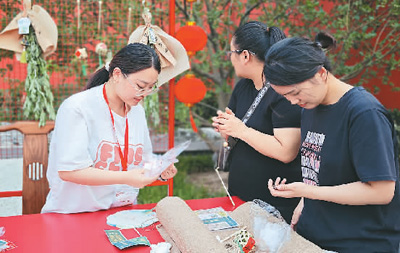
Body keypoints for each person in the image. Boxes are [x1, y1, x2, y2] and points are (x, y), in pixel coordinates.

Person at [265, 32, 400, 252]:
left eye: (295, 92)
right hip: (316, 237)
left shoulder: (364, 113)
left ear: (321, 74)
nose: (292, 101)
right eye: (285, 96)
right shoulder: (310, 106)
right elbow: (320, 171)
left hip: (358, 242)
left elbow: (381, 191)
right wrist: (304, 201)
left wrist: (308, 192)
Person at [42, 43, 177, 214]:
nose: (144, 93)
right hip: (73, 213)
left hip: (121, 213)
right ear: (117, 74)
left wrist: (159, 169)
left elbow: (141, 158)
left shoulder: (136, 111)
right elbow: (69, 171)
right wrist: (127, 178)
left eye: (151, 87)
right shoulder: (77, 108)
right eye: (140, 86)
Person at [211, 21, 302, 223]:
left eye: (231, 53)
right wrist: (226, 128)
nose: (230, 59)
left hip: (276, 203)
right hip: (240, 196)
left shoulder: (283, 91)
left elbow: (286, 151)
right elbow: (237, 130)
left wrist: (241, 130)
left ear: (245, 56)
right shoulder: (243, 86)